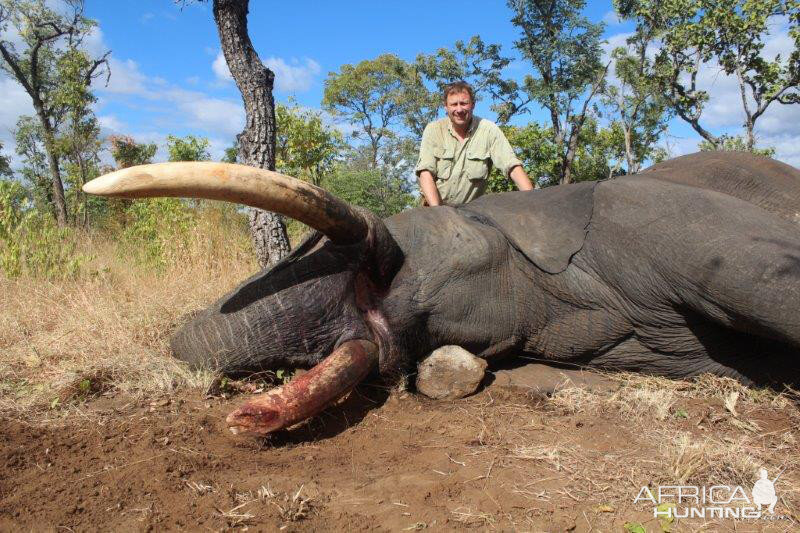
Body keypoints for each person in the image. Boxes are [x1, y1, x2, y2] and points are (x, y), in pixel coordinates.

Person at [415, 81, 534, 206]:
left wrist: (533, 201)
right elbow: (425, 174)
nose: (459, 109)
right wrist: (438, 213)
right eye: (454, 104)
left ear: (473, 105)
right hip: (435, 211)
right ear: (446, 107)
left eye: (464, 103)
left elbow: (512, 167)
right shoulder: (434, 130)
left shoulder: (489, 130)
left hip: (470, 214)